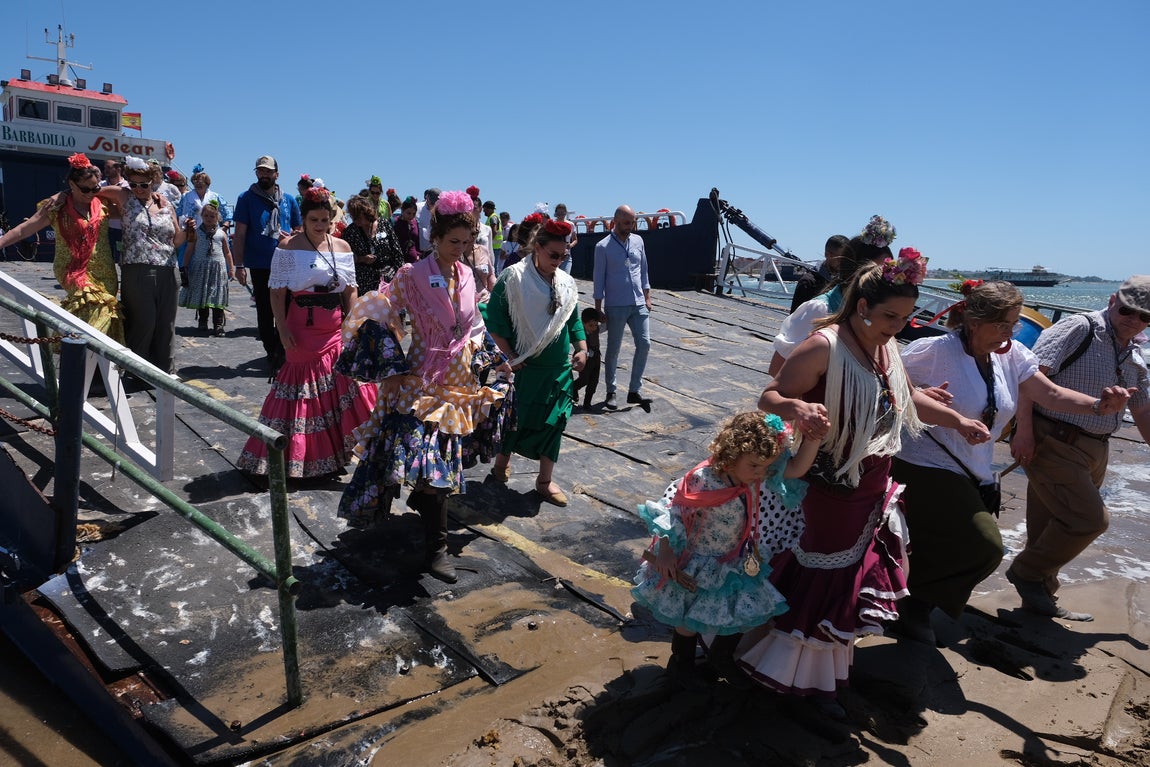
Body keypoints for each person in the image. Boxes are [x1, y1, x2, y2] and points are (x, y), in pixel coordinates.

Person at [737, 253, 992, 717]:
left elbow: (904, 395)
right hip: (828, 487)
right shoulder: (823, 347)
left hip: (871, 483)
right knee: (821, 581)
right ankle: (793, 683)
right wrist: (800, 411)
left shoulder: (884, 345)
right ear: (861, 307)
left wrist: (957, 421)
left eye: (906, 318)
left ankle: (823, 677)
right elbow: (770, 395)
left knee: (842, 582)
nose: (898, 326)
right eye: (890, 316)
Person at [890, 280, 1133, 641]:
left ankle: (904, 601)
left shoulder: (1012, 354)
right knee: (986, 548)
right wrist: (916, 393)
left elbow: (1049, 393)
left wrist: (1098, 406)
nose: (1010, 332)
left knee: (951, 545)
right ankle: (916, 607)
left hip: (973, 467)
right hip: (922, 462)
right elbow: (886, 378)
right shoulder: (935, 351)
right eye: (1002, 324)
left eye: (1014, 324)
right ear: (974, 322)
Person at [338, 190, 509, 583]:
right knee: (434, 469)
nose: (461, 250)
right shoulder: (411, 275)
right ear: (436, 237)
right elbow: (378, 312)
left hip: (460, 383)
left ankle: (430, 517)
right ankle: (436, 549)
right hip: (421, 383)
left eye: (467, 243)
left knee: (440, 466)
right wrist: (388, 364)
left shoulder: (468, 275)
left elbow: (474, 328)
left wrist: (496, 362)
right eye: (454, 242)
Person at [633, 412, 817, 688]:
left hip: (736, 557)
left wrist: (814, 439)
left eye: (766, 467)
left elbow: (794, 469)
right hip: (698, 560)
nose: (761, 474)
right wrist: (666, 551)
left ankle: (721, 655)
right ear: (732, 453)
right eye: (754, 465)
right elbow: (675, 514)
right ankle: (679, 664)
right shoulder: (703, 479)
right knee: (687, 616)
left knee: (741, 609)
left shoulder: (752, 475)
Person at [1005, 275, 1150, 619]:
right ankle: (1025, 573)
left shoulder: (1134, 352)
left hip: (1096, 447)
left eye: (1146, 317)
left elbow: (1142, 410)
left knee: (1049, 525)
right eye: (1129, 310)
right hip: (1054, 439)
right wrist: (1022, 431)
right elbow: (1029, 379)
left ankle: (1039, 599)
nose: (1135, 320)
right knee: (1088, 520)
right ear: (1113, 300)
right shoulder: (1078, 328)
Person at [236, 187, 375, 480]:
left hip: (334, 330)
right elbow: (276, 294)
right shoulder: (287, 248)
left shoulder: (342, 247)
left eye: (326, 220)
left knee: (341, 389)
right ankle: (294, 459)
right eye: (315, 220)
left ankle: (334, 456)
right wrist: (282, 330)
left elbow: (350, 291)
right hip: (300, 330)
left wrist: (352, 326)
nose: (321, 226)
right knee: (302, 396)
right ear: (305, 218)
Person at [485, 219, 587, 506]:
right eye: (553, 255)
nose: (558, 261)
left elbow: (573, 319)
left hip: (558, 371)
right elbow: (495, 320)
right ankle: (500, 465)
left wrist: (581, 348)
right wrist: (509, 357)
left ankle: (544, 482)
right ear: (537, 247)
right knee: (517, 423)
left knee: (555, 424)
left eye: (563, 256)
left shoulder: (566, 282)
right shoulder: (513, 278)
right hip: (526, 369)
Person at [0, 153, 124, 342]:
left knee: (96, 315)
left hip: (105, 271)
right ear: (72, 185)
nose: (91, 193)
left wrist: (153, 196)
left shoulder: (103, 204)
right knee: (96, 306)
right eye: (85, 189)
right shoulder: (56, 207)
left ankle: (90, 364)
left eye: (95, 188)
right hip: (72, 269)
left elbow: (127, 201)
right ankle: (72, 351)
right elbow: (24, 229)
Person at [770, 216, 895, 376]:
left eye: (889, 273)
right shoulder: (819, 310)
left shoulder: (876, 316)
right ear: (855, 270)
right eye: (878, 272)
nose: (886, 281)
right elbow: (778, 370)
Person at [99, 155, 185, 373]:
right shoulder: (125, 197)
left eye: (143, 185)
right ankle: (139, 371)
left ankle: (166, 371)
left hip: (168, 269)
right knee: (143, 322)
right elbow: (91, 191)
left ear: (153, 182)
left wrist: (189, 232)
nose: (138, 189)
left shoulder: (166, 206)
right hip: (136, 269)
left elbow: (176, 240)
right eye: (134, 184)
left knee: (166, 325)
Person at [233, 155, 303, 377]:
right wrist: (239, 264)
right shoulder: (246, 198)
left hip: (287, 263)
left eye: (268, 171)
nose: (263, 175)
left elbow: (300, 230)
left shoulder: (289, 200)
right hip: (260, 264)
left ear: (277, 174)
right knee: (264, 310)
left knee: (288, 308)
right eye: (260, 171)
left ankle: (283, 351)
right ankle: (271, 350)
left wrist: (292, 235)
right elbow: (240, 234)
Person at [593, 205, 652, 412]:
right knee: (614, 349)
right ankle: (611, 391)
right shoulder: (603, 246)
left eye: (633, 222)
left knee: (644, 343)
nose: (631, 226)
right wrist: (598, 307)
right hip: (616, 304)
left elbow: (643, 269)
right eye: (627, 222)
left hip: (638, 303)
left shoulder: (638, 241)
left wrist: (647, 296)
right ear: (616, 221)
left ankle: (634, 390)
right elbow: (598, 278)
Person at [179, 200, 234, 336]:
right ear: (202, 216)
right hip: (200, 268)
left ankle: (218, 324)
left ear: (217, 218)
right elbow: (189, 250)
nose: (209, 219)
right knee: (203, 294)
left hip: (217, 269)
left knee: (217, 297)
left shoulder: (221, 234)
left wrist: (231, 268)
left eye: (212, 216)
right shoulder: (196, 232)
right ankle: (203, 321)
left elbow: (227, 252)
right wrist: (184, 266)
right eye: (206, 216)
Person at [341, 195, 405, 294]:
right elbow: (345, 259)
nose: (356, 220)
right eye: (353, 217)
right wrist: (361, 259)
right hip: (364, 284)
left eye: (358, 217)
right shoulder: (350, 232)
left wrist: (400, 276)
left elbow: (397, 252)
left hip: (389, 280)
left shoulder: (384, 224)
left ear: (367, 213)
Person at [789, 235, 850, 313]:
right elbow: (795, 318)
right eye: (840, 259)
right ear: (827, 254)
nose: (843, 263)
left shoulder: (844, 281)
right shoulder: (808, 283)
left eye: (847, 259)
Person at [573, 307, 604, 410]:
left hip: (595, 358)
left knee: (594, 381)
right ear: (583, 323)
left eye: (595, 325)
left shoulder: (596, 330)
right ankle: (573, 388)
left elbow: (606, 326)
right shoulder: (580, 333)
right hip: (584, 359)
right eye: (590, 325)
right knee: (584, 379)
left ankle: (587, 403)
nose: (594, 328)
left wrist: (604, 318)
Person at [99, 158, 129, 262]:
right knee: (106, 258)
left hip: (122, 230)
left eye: (108, 167)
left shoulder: (127, 186)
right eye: (104, 167)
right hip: (105, 229)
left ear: (118, 169)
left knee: (122, 257)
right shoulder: (100, 185)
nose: (105, 170)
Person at [393, 196, 421, 263]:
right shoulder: (395, 223)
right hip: (399, 262)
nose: (411, 216)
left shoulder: (415, 222)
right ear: (402, 210)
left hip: (414, 262)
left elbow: (417, 242)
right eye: (408, 213)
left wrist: (418, 255)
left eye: (414, 214)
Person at [553, 203, 578, 274]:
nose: (560, 215)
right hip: (554, 256)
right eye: (558, 213)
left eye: (562, 213)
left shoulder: (571, 224)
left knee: (565, 277)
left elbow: (575, 239)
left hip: (566, 256)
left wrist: (570, 245)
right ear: (555, 214)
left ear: (565, 213)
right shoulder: (552, 224)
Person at [416, 187, 440, 254]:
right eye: (431, 202)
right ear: (427, 197)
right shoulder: (417, 207)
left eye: (435, 202)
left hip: (435, 251)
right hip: (419, 250)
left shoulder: (442, 211)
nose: (433, 204)